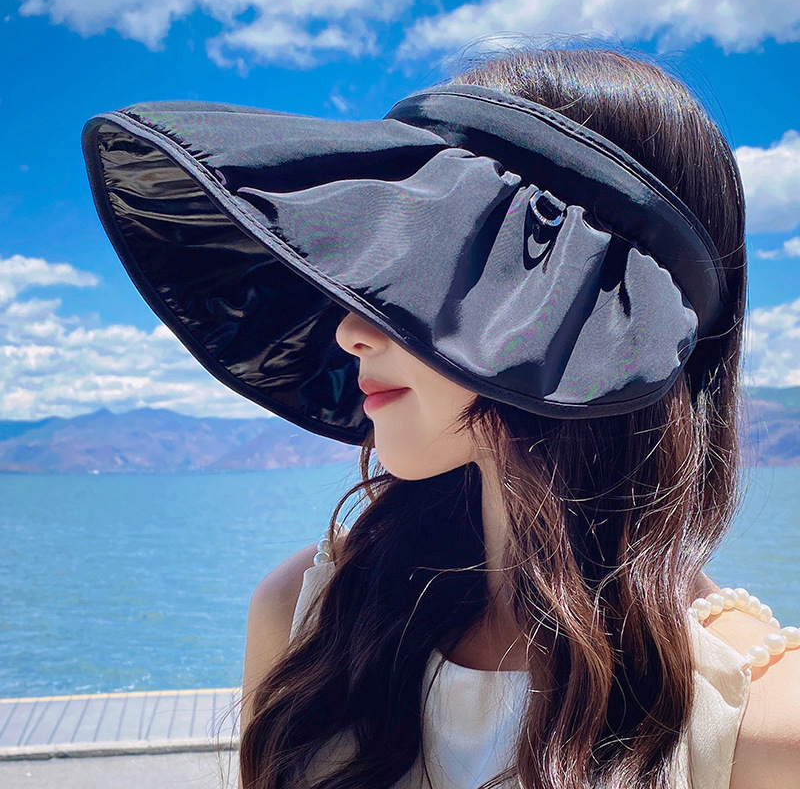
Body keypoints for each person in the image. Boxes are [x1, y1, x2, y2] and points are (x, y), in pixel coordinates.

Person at [81, 46, 800, 788]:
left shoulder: (765, 724)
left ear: (581, 314)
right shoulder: (307, 618)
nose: (350, 329)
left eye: (428, 274)